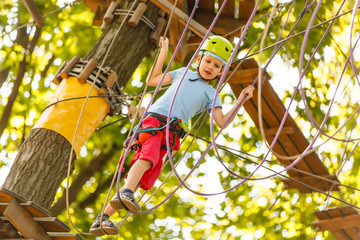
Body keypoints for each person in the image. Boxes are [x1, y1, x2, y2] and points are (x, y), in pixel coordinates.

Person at [89, 35, 255, 236]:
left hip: (171, 134)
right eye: (208, 61)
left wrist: (241, 101)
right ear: (198, 59)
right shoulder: (183, 73)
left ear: (220, 73)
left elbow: (221, 122)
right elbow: (153, 80)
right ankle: (125, 193)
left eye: (217, 65)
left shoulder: (212, 94)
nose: (210, 67)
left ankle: (104, 216)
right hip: (155, 123)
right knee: (147, 159)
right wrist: (164, 52)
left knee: (145, 174)